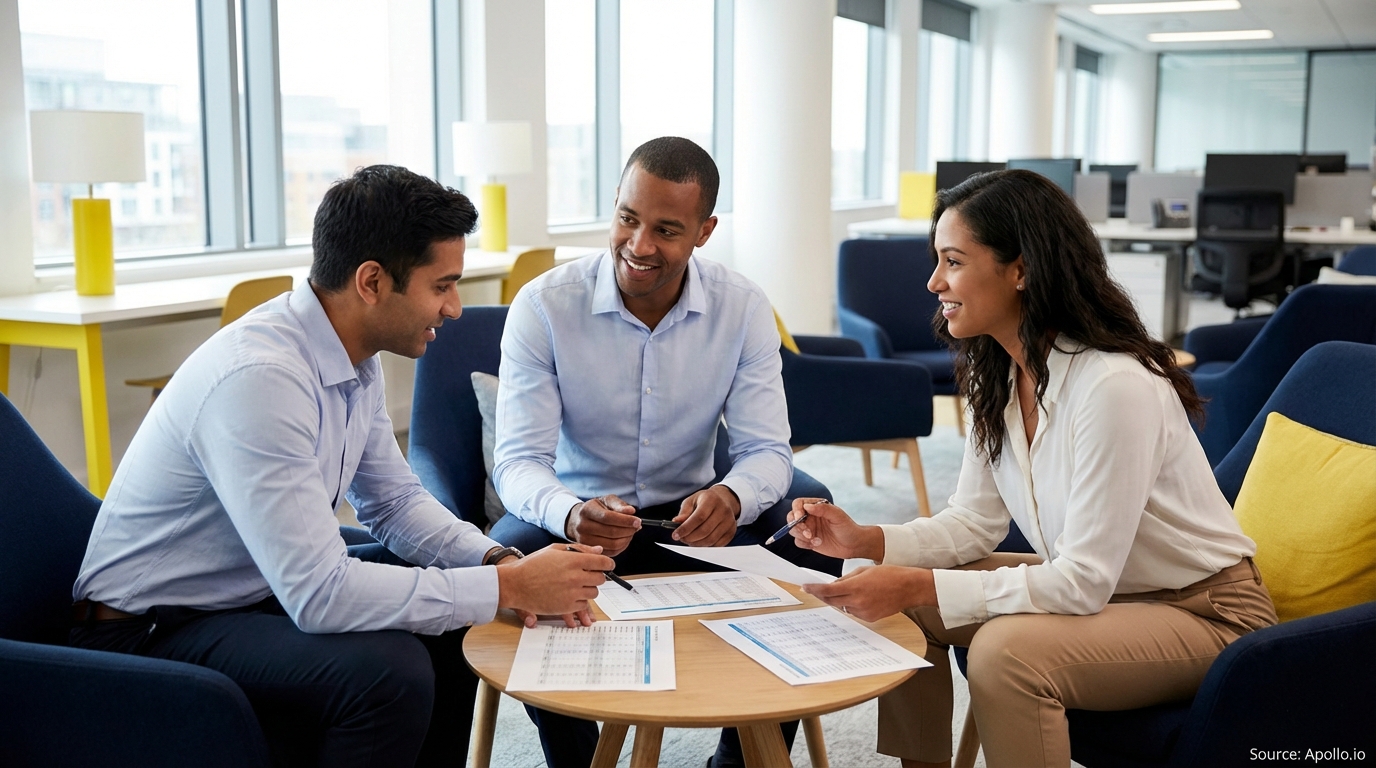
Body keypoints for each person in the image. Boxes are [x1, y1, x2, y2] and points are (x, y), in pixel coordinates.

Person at [71, 165, 615, 768]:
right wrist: (505, 588)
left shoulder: (351, 356)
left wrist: (496, 560)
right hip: (151, 630)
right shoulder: (263, 378)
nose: (456, 308)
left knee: (447, 613)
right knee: (391, 672)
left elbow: (392, 503)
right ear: (372, 281)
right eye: (443, 285)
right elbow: (319, 596)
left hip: (248, 591)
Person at [785, 169, 1278, 768]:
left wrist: (919, 580)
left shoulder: (1113, 385)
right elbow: (973, 523)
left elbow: (1081, 582)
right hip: (1114, 594)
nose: (933, 281)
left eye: (953, 261)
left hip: (1203, 612)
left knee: (1004, 651)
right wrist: (869, 540)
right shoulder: (997, 371)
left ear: (1021, 269)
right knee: (905, 599)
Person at [489, 136, 840, 768]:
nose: (640, 245)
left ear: (704, 231)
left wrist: (734, 495)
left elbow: (767, 449)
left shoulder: (742, 307)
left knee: (811, 535)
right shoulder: (544, 306)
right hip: (577, 517)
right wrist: (569, 513)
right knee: (513, 559)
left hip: (696, 520)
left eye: (667, 229)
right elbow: (517, 462)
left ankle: (739, 759)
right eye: (628, 218)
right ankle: (577, 760)